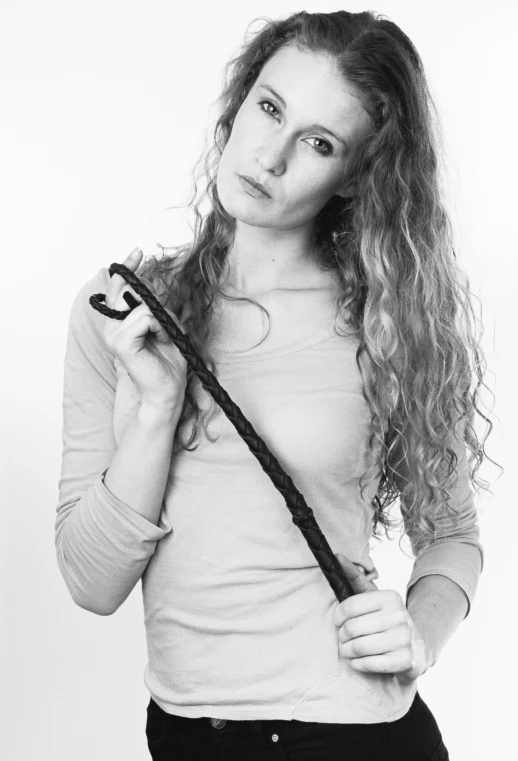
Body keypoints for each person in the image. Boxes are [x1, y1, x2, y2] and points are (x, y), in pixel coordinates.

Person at [55, 10, 492, 761]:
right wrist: (158, 407)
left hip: (356, 731)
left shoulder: (388, 321)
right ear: (239, 100)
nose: (272, 154)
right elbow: (91, 583)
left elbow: (451, 534)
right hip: (190, 732)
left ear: (356, 173)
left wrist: (421, 629)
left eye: (320, 143)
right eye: (268, 106)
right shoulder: (122, 309)